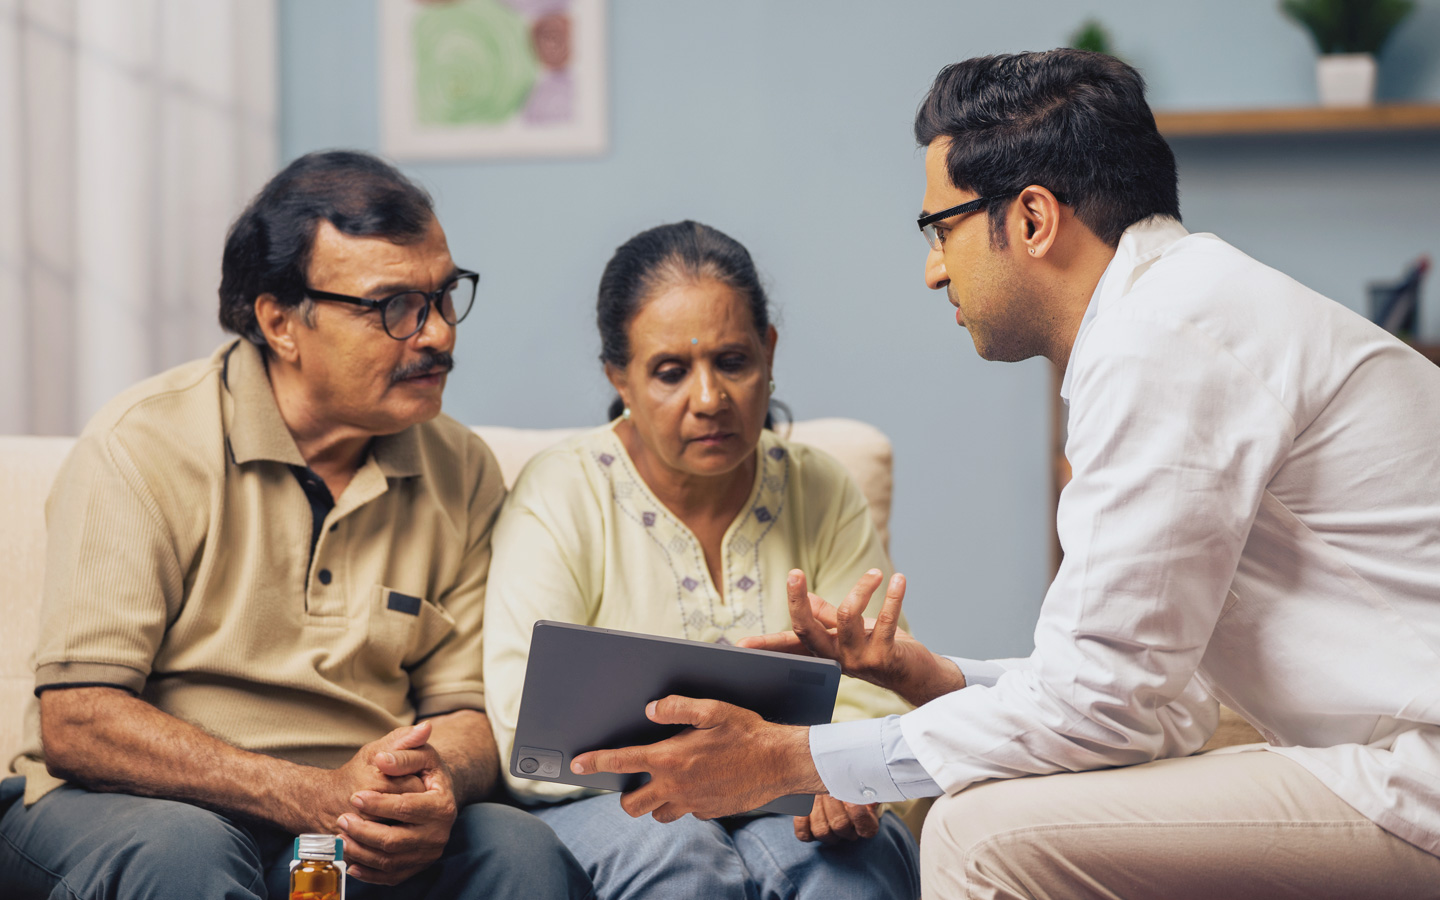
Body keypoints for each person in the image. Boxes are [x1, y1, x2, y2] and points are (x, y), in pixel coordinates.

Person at [567, 51, 1440, 899]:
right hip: (1388, 763)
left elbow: (1106, 706)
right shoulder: (1180, 311)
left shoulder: (1161, 341)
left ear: (1030, 219)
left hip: (1418, 778)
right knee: (990, 808)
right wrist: (931, 675)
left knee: (980, 835)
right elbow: (1161, 701)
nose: (933, 266)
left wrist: (786, 760)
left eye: (939, 228)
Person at [0, 151, 593, 900]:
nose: (439, 335)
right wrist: (301, 792)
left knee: (515, 849)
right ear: (281, 321)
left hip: (339, 824)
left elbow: (466, 712)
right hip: (135, 812)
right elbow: (79, 721)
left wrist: (427, 788)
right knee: (183, 853)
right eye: (395, 308)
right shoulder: (140, 445)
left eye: (444, 297)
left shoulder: (462, 469)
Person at [483, 220, 921, 899]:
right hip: (608, 807)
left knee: (845, 870)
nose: (710, 400)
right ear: (618, 378)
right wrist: (720, 776)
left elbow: (872, 690)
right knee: (678, 856)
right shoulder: (561, 491)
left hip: (796, 792)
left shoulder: (823, 487)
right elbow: (522, 726)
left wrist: (837, 771)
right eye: (670, 372)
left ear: (769, 354)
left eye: (733, 362)